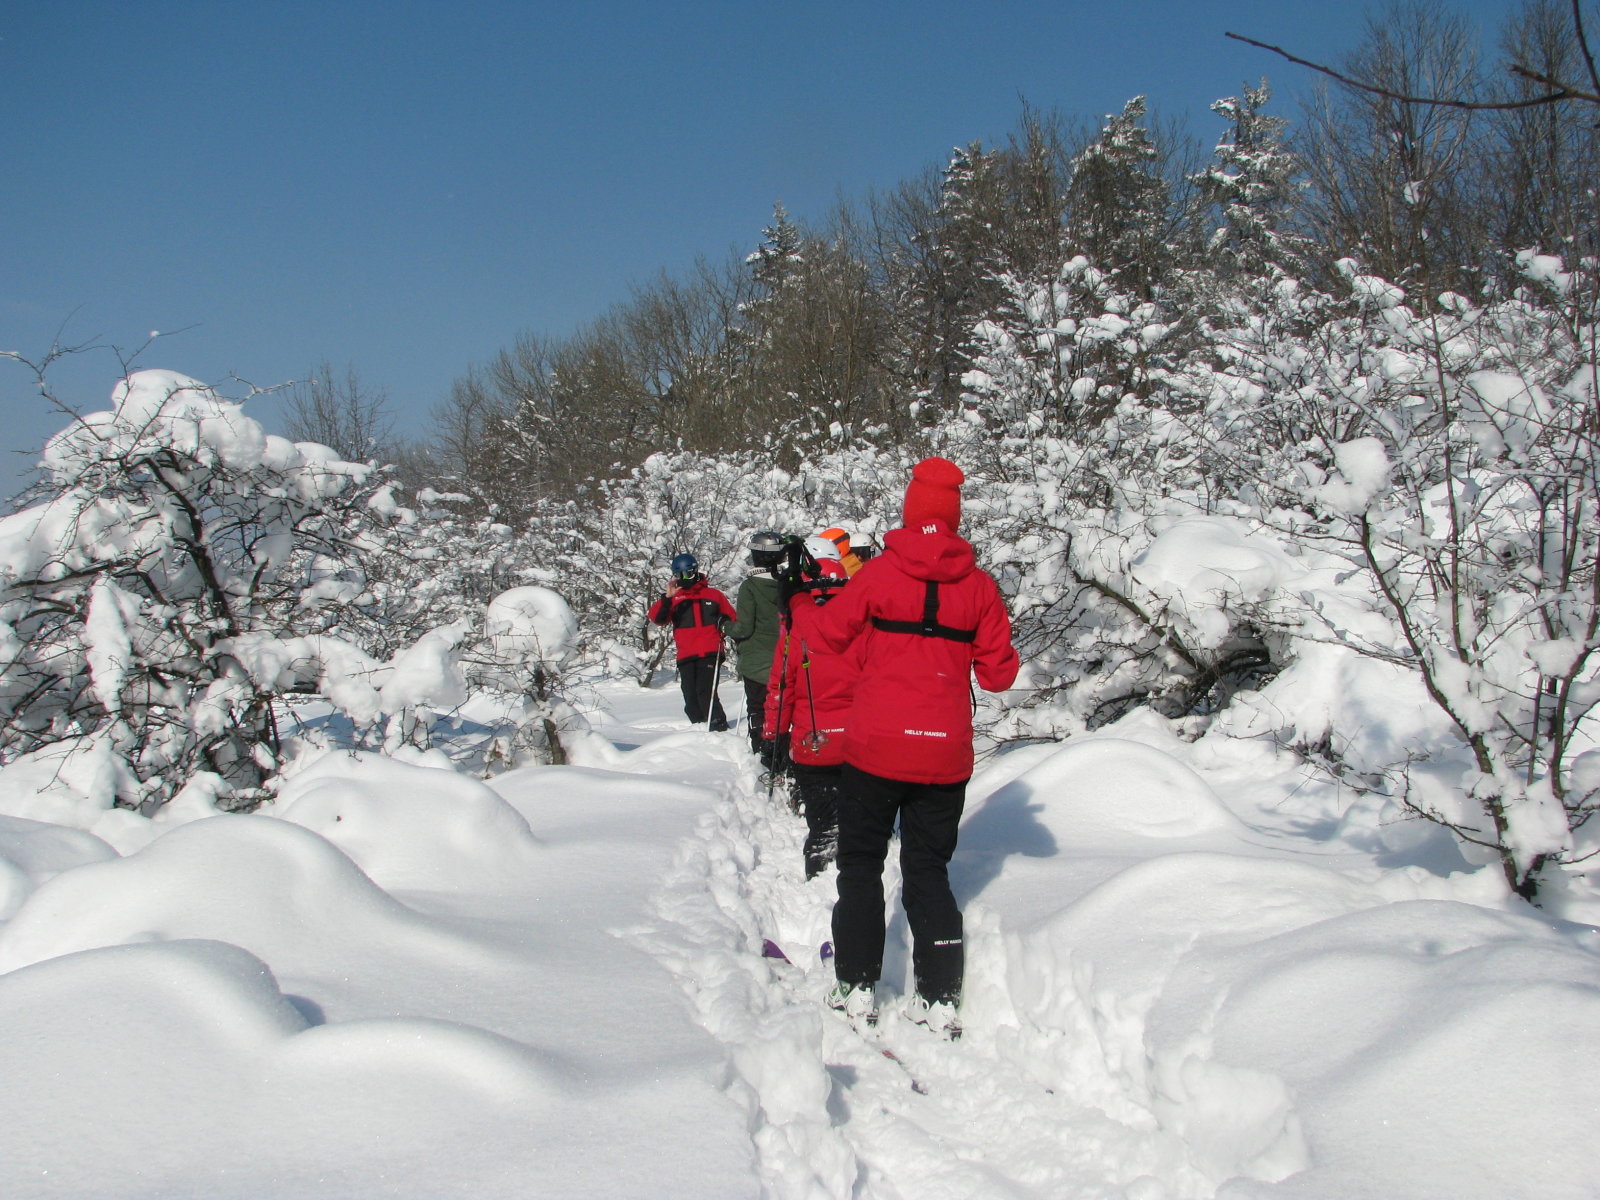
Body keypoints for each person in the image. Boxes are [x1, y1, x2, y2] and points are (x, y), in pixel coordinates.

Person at [808, 457, 1019, 1036]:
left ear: (910, 511)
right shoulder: (979, 587)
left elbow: (827, 635)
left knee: (860, 863)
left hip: (874, 751)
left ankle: (855, 984)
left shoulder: (876, 575)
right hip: (943, 756)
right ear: (953, 516)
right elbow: (1000, 676)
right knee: (927, 869)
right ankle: (941, 993)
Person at [763, 536, 854, 879]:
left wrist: (773, 734)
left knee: (823, 821)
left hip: (813, 737)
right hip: (863, 739)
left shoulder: (797, 615)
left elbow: (782, 683)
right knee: (861, 821)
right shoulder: (865, 606)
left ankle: (820, 869)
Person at [647, 552, 736, 731]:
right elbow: (657, 618)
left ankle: (718, 727)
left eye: (688, 574)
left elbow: (732, 619)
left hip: (710, 651)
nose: (684, 579)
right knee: (690, 697)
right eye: (679, 576)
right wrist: (667, 598)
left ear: (695, 572)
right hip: (686, 654)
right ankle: (699, 729)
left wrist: (725, 626)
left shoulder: (713, 595)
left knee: (706, 692)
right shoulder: (675, 599)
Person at [729, 530, 786, 756]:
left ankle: (762, 753)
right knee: (784, 709)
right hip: (785, 660)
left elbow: (744, 627)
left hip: (756, 663)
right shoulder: (789, 584)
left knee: (758, 710)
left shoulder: (750, 587)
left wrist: (725, 627)